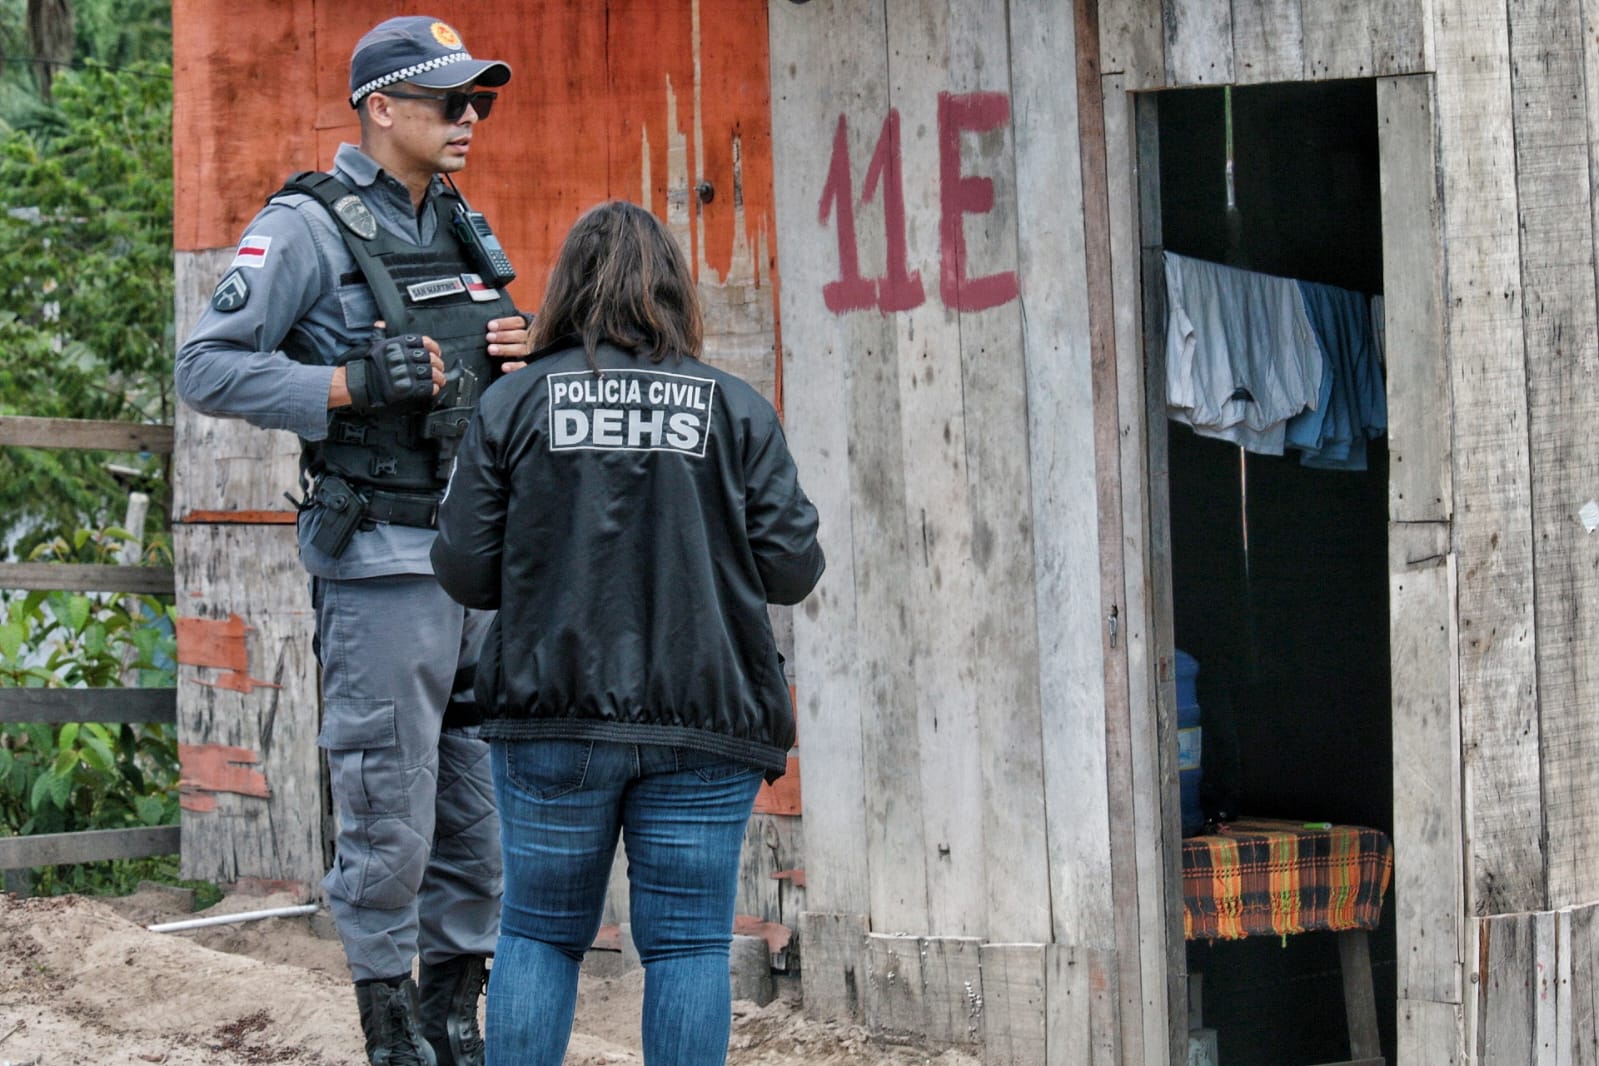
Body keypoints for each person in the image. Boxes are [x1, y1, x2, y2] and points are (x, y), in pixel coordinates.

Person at [175, 16, 535, 1066]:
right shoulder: (304, 229)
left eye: (482, 103)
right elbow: (206, 366)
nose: (470, 119)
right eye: (450, 101)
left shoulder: (458, 219)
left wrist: (509, 352)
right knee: (388, 809)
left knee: (476, 815)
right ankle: (390, 1030)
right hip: (380, 561)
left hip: (474, 561)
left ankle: (452, 1019)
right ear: (382, 107)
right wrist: (345, 384)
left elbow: (461, 367)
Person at [430, 200, 824, 1065]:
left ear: (565, 291)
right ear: (675, 291)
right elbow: (793, 571)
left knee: (538, 933)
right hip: (704, 721)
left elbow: (462, 569)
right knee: (686, 946)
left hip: (550, 717)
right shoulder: (737, 411)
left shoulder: (513, 406)